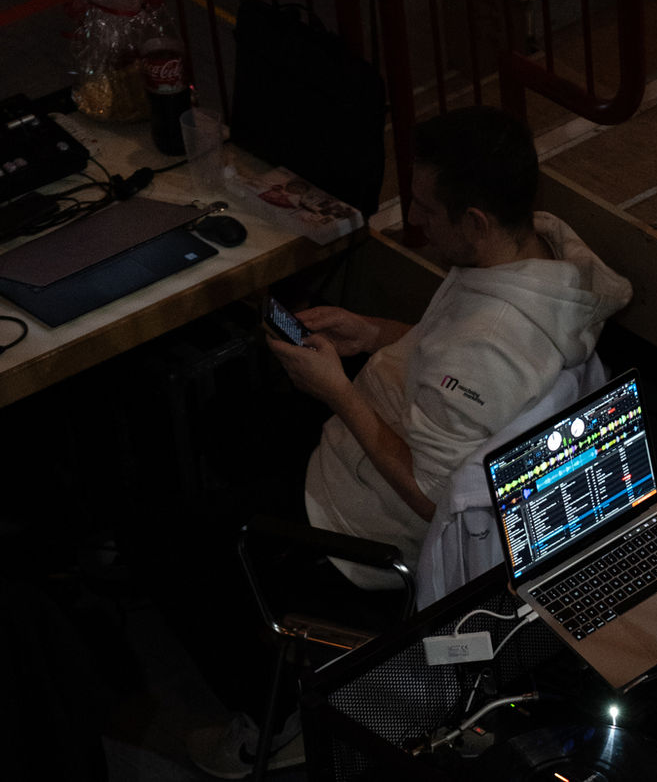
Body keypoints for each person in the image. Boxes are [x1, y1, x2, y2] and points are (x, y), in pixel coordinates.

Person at [267, 104, 633, 588]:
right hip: (368, 444)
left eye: (427, 208)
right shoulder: (540, 250)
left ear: (476, 223)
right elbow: (455, 364)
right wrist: (374, 333)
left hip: (351, 520)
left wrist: (337, 392)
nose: (413, 218)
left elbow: (431, 496)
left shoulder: (489, 346)